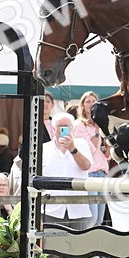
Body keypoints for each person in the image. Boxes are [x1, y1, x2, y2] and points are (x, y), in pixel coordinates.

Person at [43, 111, 94, 230]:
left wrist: (72, 149)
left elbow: (86, 166)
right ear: (53, 128)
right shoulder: (44, 149)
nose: (63, 130)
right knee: (51, 245)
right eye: (60, 127)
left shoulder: (81, 144)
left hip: (78, 209)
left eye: (67, 127)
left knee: (79, 245)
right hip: (52, 209)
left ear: (72, 128)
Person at [72, 91, 110, 226]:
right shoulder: (78, 125)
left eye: (94, 101)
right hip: (90, 172)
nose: (91, 104)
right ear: (82, 105)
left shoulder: (101, 124)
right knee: (91, 217)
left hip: (103, 172)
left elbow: (106, 153)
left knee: (100, 219)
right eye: (87, 101)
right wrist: (97, 132)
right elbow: (86, 149)